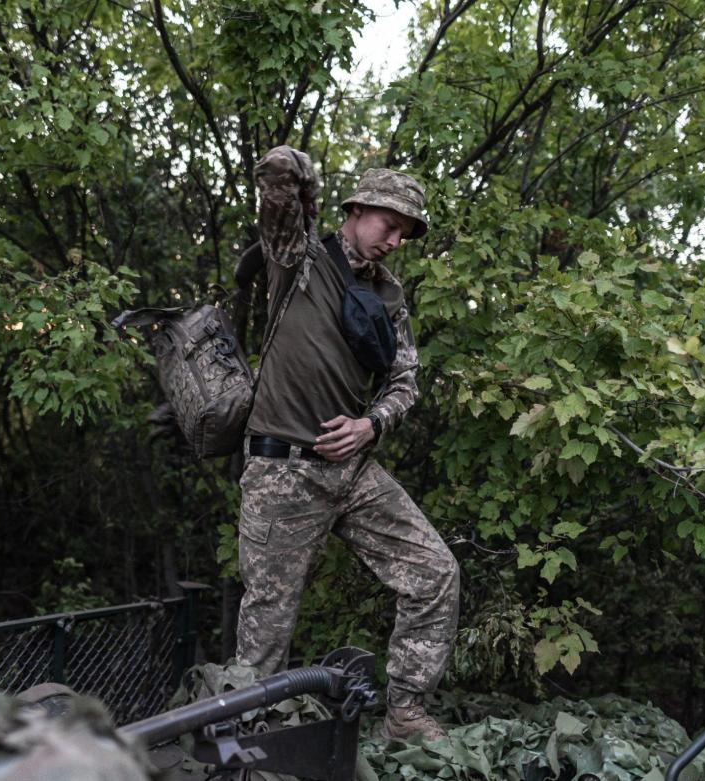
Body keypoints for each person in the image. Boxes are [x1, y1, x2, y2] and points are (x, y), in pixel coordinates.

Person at [233, 145, 461, 742]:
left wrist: (372, 425)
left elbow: (404, 382)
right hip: (282, 472)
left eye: (406, 235)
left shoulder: (389, 295)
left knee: (435, 573)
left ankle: (405, 713)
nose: (395, 242)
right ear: (357, 209)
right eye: (390, 226)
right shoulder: (299, 258)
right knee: (268, 618)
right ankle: (246, 742)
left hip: (354, 472)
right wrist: (300, 174)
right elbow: (277, 179)